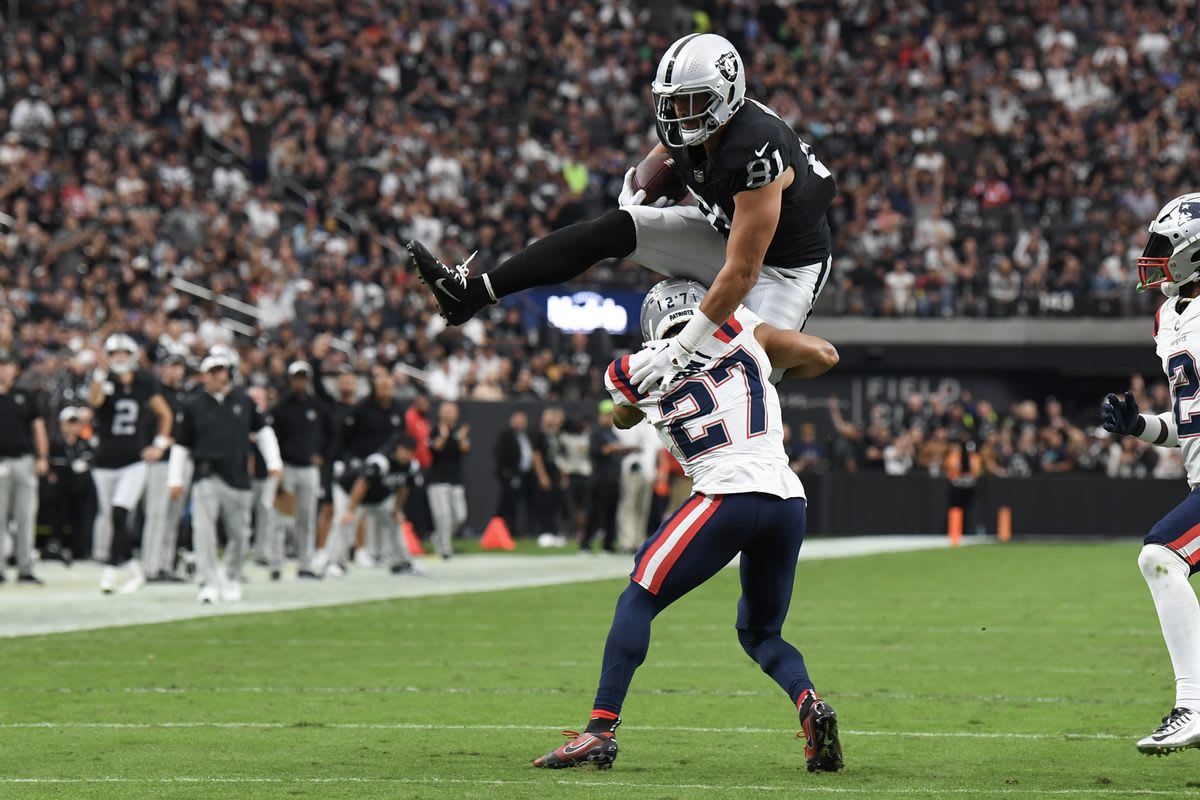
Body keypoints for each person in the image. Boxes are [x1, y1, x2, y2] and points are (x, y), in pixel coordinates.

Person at [409, 32, 836, 393]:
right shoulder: (692, 124)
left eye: (693, 102)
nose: (680, 115)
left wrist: (682, 348)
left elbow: (744, 271)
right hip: (729, 236)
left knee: (746, 372)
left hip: (783, 269)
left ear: (726, 95)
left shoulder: (755, 151)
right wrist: (642, 191)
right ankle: (470, 294)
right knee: (617, 227)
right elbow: (671, 152)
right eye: (673, 103)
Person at [532, 278, 842, 773]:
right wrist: (762, 367)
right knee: (761, 634)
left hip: (725, 490)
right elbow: (824, 355)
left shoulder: (634, 366)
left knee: (639, 596)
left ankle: (599, 730)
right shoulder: (746, 331)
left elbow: (622, 416)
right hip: (786, 498)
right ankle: (809, 704)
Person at [1102, 191, 1200, 755]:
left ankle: (1191, 704)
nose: (1151, 255)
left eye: (1163, 246)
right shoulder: (1167, 316)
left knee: (1161, 558)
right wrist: (1140, 425)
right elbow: (1187, 424)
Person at [167, 354, 283, 604]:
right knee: (204, 532)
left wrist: (274, 462)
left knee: (240, 533)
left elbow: (262, 431)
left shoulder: (244, 401)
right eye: (212, 371)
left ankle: (231, 576)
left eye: (221, 370)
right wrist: (175, 478)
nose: (217, 375)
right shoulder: (193, 405)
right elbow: (181, 445)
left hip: (238, 475)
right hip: (206, 475)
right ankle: (207, 582)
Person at [88, 334, 173, 594]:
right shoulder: (104, 380)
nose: (120, 358)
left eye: (124, 353)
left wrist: (159, 444)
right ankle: (134, 571)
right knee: (113, 518)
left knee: (119, 512)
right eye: (115, 354)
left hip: (133, 462)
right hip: (104, 461)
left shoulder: (145, 381)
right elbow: (95, 402)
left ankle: (110, 571)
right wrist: (101, 374)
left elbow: (165, 414)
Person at [266, 361, 334, 578]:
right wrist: (277, 464)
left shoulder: (318, 408)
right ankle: (276, 564)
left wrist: (322, 454)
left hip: (309, 470)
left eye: (303, 378)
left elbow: (331, 435)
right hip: (287, 468)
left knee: (306, 517)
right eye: (296, 378)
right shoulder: (280, 408)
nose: (300, 382)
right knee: (281, 518)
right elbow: (271, 439)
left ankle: (305, 563)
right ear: (290, 379)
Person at [328, 435, 422, 576]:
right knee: (345, 523)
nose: (407, 455)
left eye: (410, 451)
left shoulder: (411, 466)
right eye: (404, 450)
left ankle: (401, 563)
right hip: (350, 493)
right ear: (397, 449)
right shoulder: (380, 462)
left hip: (378, 499)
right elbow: (361, 484)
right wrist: (351, 511)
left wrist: (397, 510)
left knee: (394, 523)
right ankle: (334, 563)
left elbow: (404, 488)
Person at [0, 349, 49, 585]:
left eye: (7, 365)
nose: (3, 370)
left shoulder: (25, 395)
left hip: (23, 461)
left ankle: (25, 567)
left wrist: (42, 457)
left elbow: (38, 428)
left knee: (26, 516)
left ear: (15, 369)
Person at [141, 354, 190, 581]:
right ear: (162, 369)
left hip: (180, 462)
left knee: (173, 517)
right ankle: (150, 567)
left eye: (178, 367)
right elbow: (145, 425)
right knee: (156, 515)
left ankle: (165, 564)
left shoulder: (185, 396)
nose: (174, 371)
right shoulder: (154, 393)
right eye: (171, 366)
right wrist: (159, 442)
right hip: (160, 462)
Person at [43, 406, 96, 565]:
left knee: (81, 518)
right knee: (58, 516)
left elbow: (91, 462)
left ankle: (79, 549)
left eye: (76, 422)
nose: (72, 426)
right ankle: (55, 546)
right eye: (69, 422)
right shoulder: (54, 444)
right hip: (60, 491)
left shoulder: (85, 444)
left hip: (80, 490)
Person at [427, 401, 470, 559]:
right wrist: (443, 436)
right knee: (443, 516)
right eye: (446, 411)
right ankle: (445, 550)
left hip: (456, 480)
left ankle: (438, 537)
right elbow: (434, 448)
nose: (449, 414)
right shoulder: (434, 430)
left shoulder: (459, 432)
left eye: (452, 411)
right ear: (440, 413)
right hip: (437, 481)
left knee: (460, 516)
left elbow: (465, 449)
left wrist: (461, 438)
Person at [494, 411, 533, 538]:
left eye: (523, 421)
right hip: (510, 475)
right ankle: (502, 531)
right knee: (507, 504)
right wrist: (506, 470)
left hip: (524, 474)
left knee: (517, 504)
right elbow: (499, 453)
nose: (522, 423)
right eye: (519, 420)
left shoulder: (525, 435)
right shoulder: (506, 435)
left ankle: (515, 530)